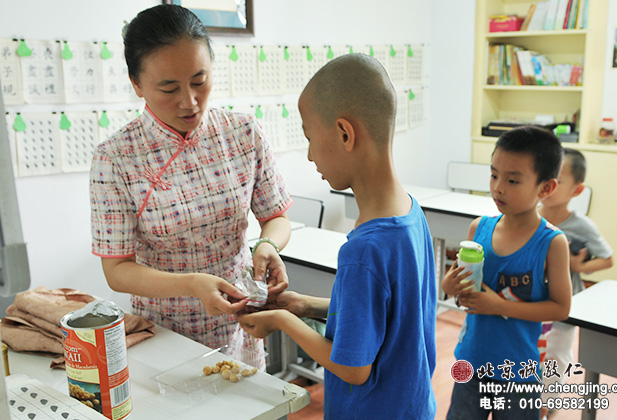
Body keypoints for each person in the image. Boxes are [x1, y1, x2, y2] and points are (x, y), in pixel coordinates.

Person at [88, 4, 293, 369]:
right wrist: (192, 284)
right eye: (169, 88)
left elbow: (276, 217)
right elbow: (117, 270)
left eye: (200, 81)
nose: (190, 101)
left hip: (240, 320)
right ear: (137, 84)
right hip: (166, 332)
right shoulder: (116, 159)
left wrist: (267, 245)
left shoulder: (243, 133)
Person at [237, 54, 438, 419]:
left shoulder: (364, 250)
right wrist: (303, 306)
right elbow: (392, 316)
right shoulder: (411, 212)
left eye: (310, 138)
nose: (311, 156)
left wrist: (283, 322)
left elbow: (353, 368)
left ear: (345, 134)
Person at [441, 126, 572, 420]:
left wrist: (499, 306)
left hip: (518, 373)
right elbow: (463, 290)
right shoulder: (479, 229)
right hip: (471, 361)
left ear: (546, 188)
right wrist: (449, 285)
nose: (499, 187)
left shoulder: (552, 243)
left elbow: (561, 308)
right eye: (494, 175)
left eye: (513, 180)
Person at [538, 148, 613, 419]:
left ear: (577, 190)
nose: (550, 183)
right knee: (532, 353)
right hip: (531, 303)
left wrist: (578, 266)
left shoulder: (582, 226)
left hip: (565, 307)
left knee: (556, 356)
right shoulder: (529, 216)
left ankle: (548, 403)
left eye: (558, 177)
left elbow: (607, 259)